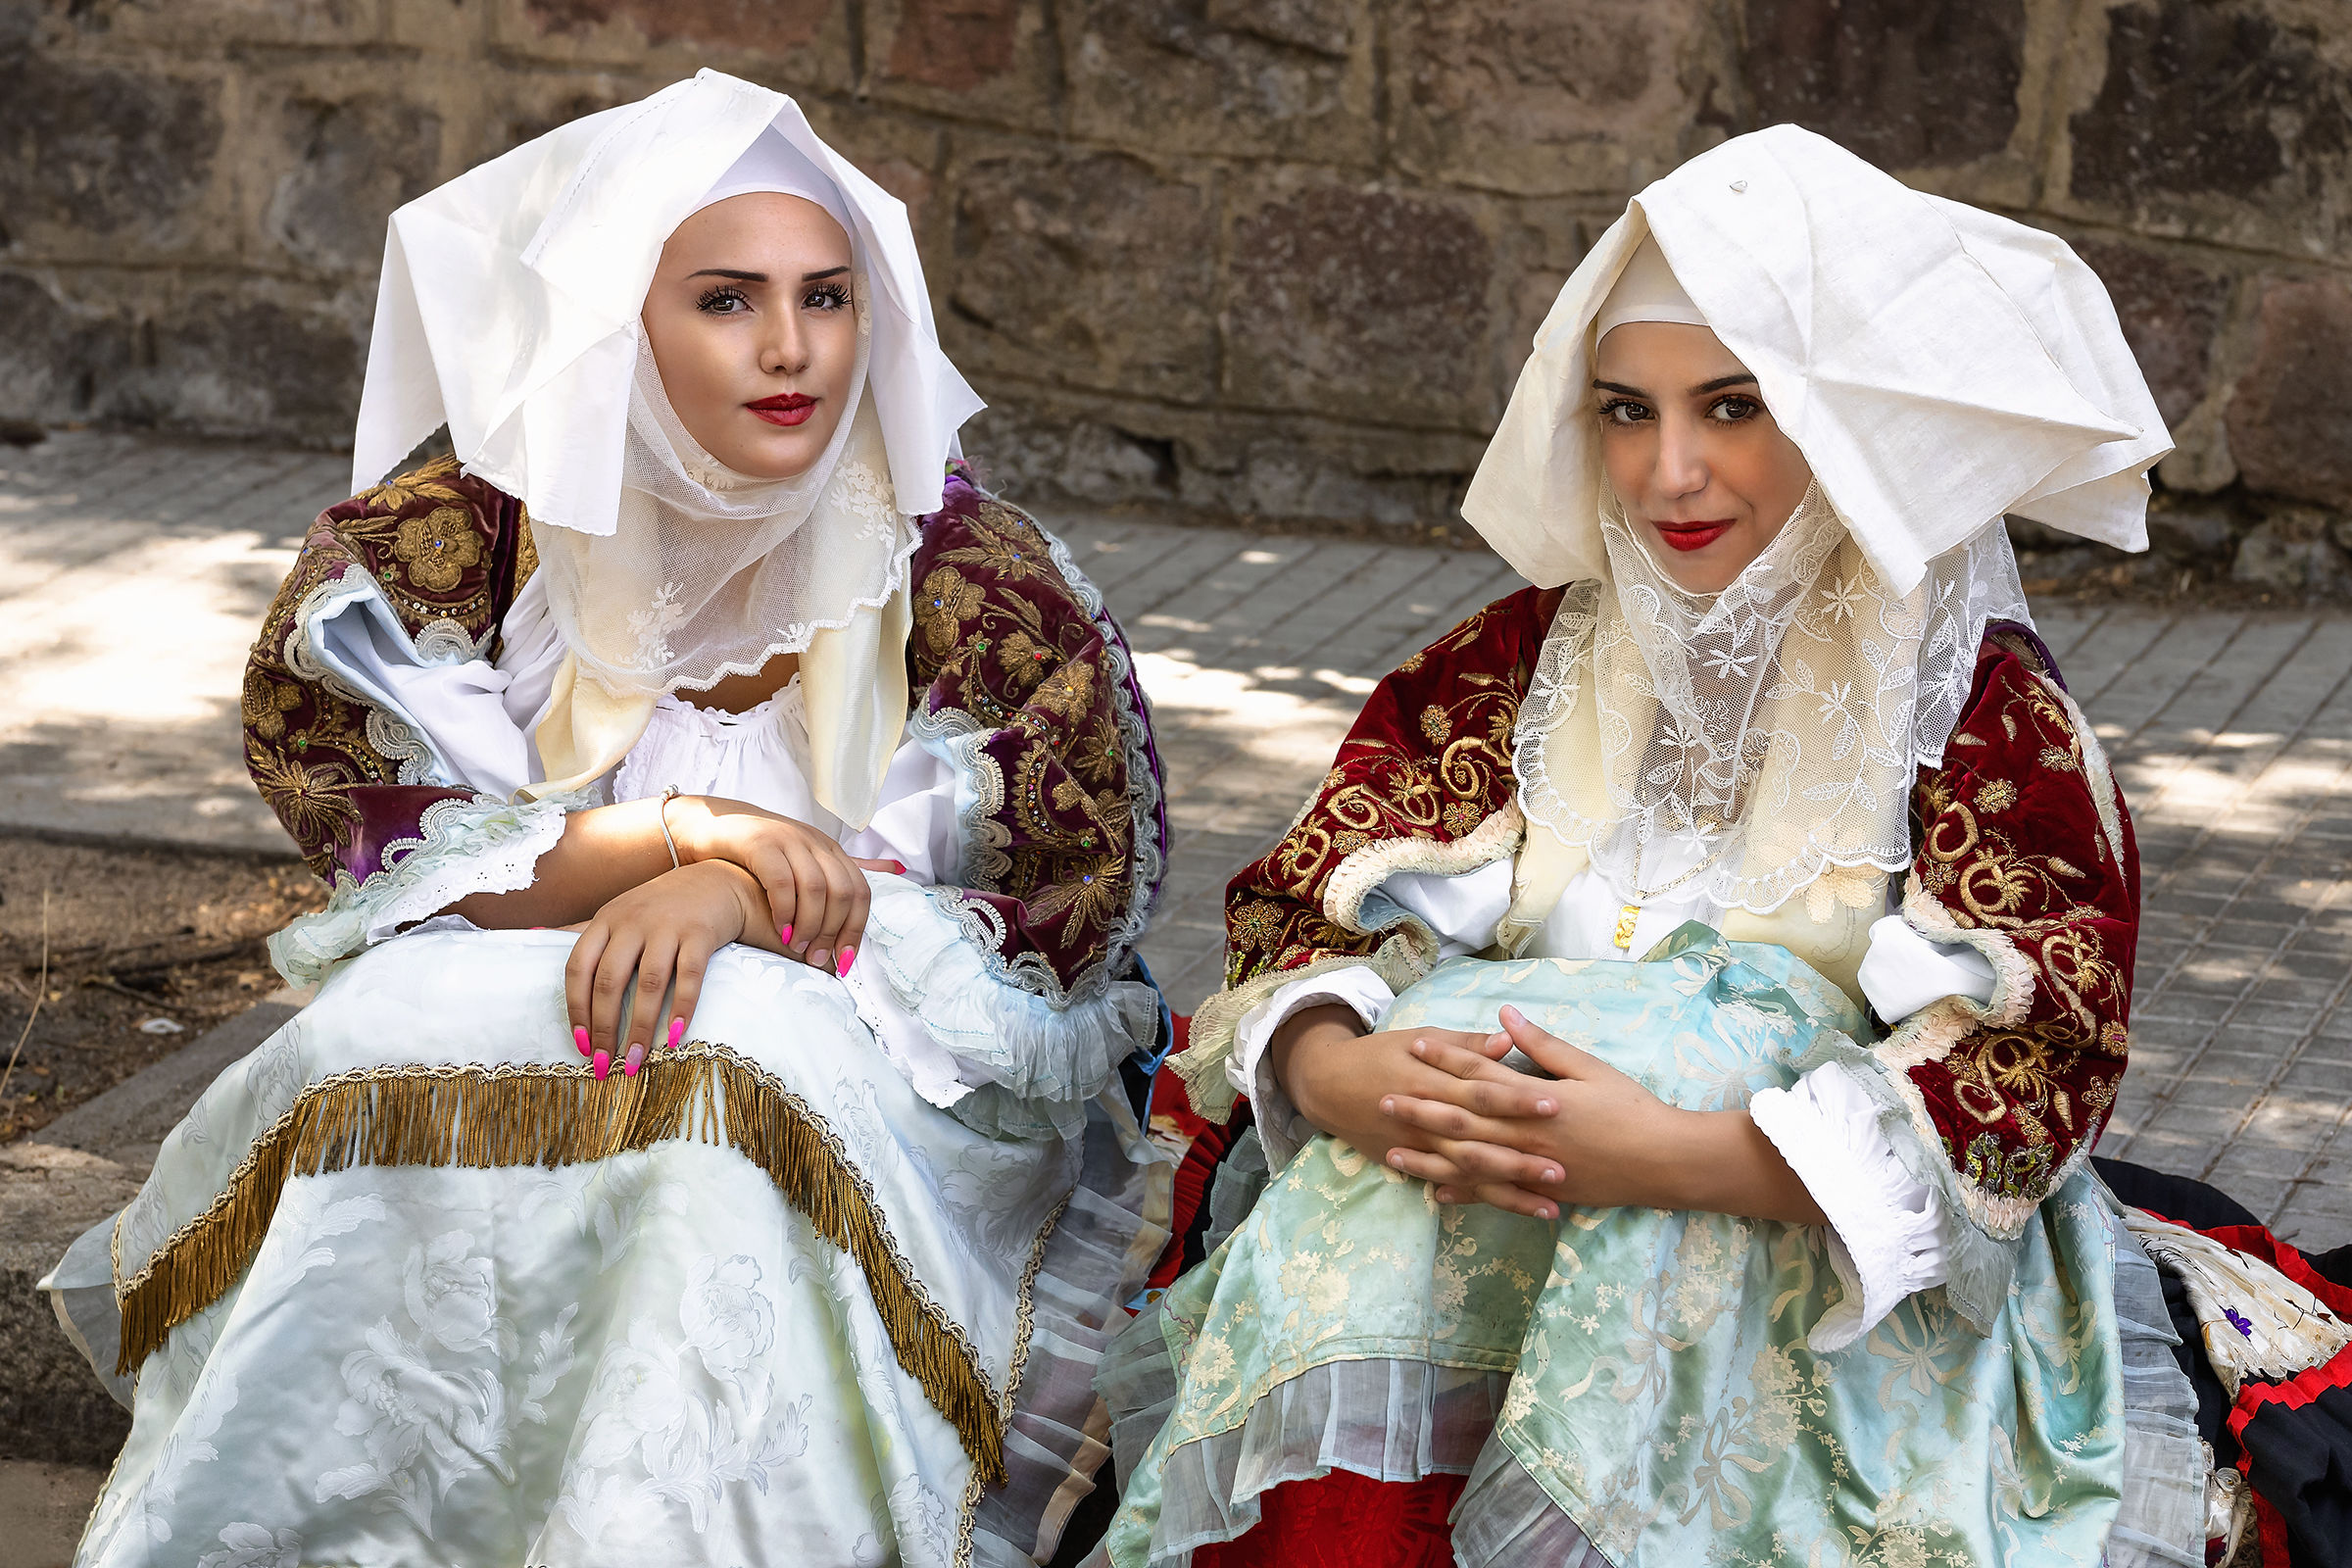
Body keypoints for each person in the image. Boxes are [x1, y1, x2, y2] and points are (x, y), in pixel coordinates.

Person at [42, 70, 1170, 1568]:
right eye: (725, 301)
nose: (792, 350)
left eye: (828, 298)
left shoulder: (977, 583)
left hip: (905, 1059)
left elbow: (1034, 927)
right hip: (550, 952)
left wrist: (740, 902)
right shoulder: (471, 538)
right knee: (373, 1040)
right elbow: (400, 852)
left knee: (727, 1076)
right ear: (617, 325)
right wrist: (671, 840)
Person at [1095, 126, 2214, 1566]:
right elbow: (1307, 908)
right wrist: (1342, 1070)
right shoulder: (1519, 658)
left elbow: (2031, 1058)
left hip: (1786, 1258)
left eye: (1734, 406)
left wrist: (1680, 1156)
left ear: (1837, 417)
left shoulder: (1976, 710)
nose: (1671, 470)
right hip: (1462, 1218)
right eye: (1627, 411)